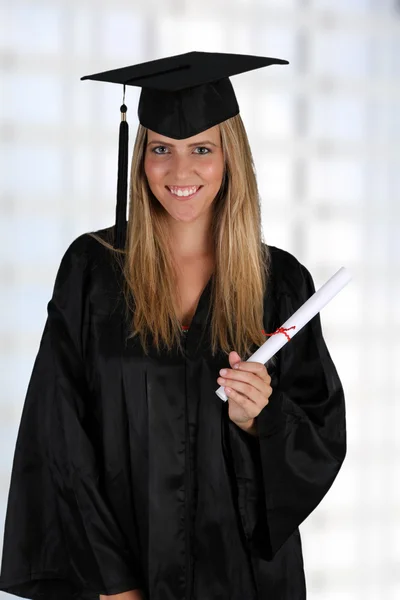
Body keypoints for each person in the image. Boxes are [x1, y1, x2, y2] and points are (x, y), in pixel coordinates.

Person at [0, 52, 347, 600]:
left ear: (230, 157)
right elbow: (60, 430)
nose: (180, 172)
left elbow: (321, 436)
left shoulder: (279, 283)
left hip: (241, 581)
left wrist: (263, 418)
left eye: (201, 150)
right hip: (117, 576)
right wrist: (113, 584)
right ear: (141, 157)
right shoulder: (92, 271)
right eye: (161, 149)